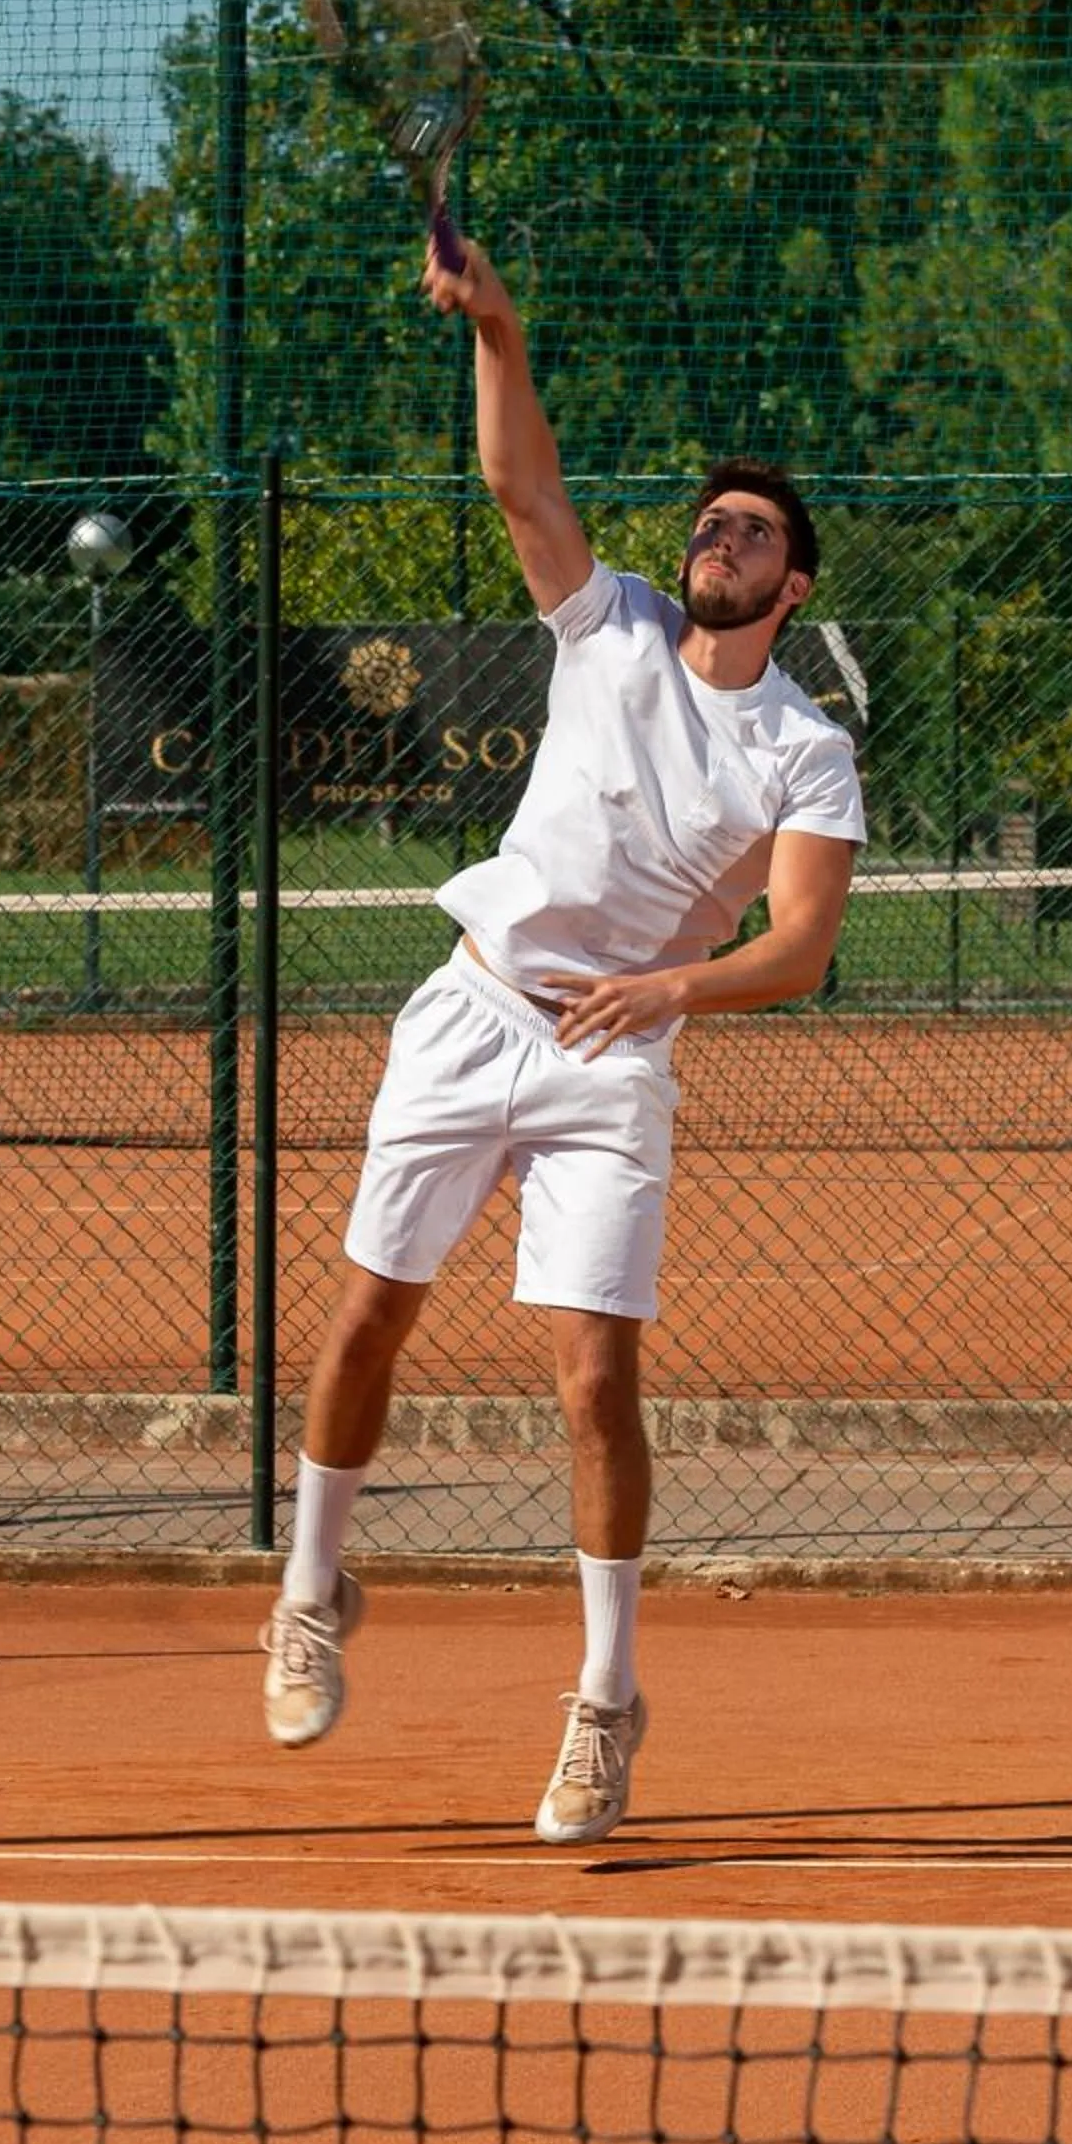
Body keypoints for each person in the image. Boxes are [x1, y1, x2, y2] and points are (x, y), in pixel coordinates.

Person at [263, 234, 865, 1842]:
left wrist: (677, 989)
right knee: (367, 1321)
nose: (717, 536)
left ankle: (602, 1706)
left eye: (750, 530)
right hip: (473, 1011)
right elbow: (523, 488)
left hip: (616, 1060)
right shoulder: (605, 630)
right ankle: (313, 1590)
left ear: (793, 585)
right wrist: (500, 331)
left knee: (596, 1381)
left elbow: (800, 949)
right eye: (710, 521)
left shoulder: (806, 753)